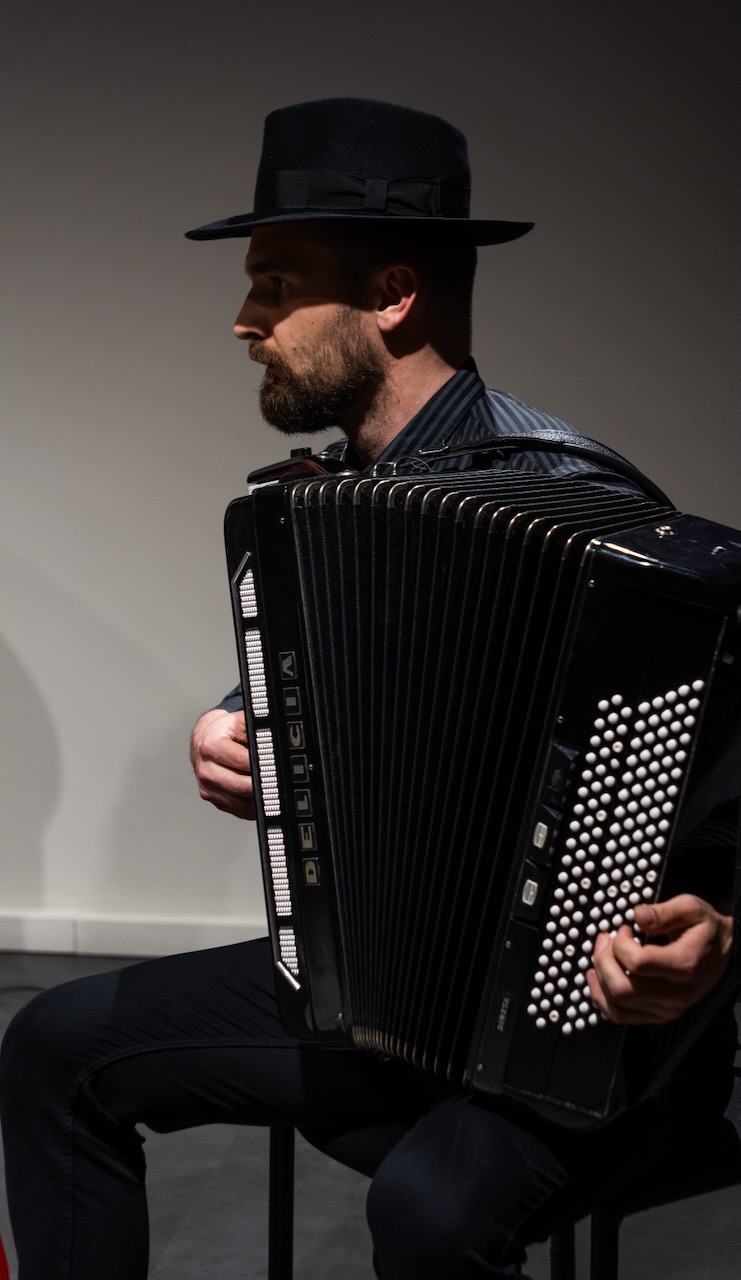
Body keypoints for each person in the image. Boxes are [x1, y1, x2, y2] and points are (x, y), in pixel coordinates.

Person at [1, 98, 736, 1280]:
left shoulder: (595, 517)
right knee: (52, 1045)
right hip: (376, 998)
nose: (244, 321)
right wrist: (234, 730)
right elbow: (325, 692)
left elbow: (714, 805)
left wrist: (717, 928)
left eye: (276, 284)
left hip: (584, 1028)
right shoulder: (335, 506)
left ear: (392, 295)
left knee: (430, 1206)